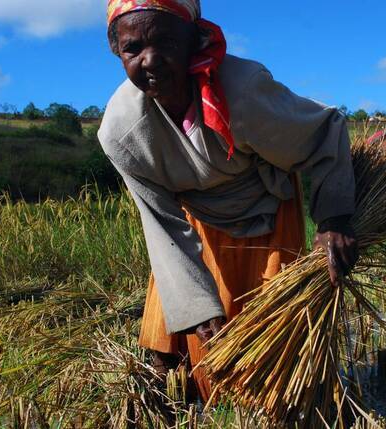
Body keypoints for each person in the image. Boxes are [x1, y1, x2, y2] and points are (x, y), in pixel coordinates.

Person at [99, 0, 359, 401]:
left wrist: (334, 220)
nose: (150, 60)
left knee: (273, 335)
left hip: (267, 204)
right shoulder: (120, 131)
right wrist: (199, 308)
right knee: (180, 349)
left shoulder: (243, 90)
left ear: (193, 39)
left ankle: (281, 402)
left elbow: (325, 130)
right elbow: (162, 223)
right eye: (133, 49)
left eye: (166, 42)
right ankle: (179, 397)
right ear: (118, 53)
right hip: (193, 215)